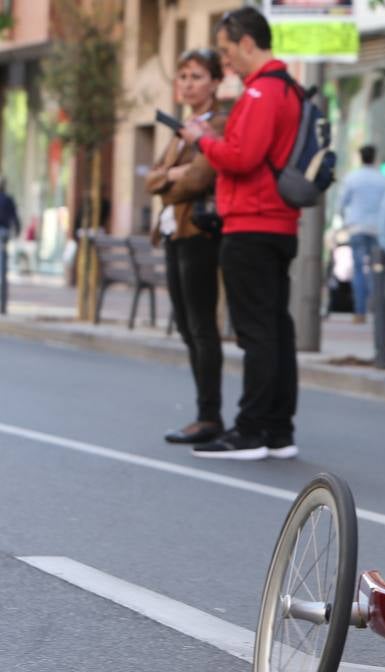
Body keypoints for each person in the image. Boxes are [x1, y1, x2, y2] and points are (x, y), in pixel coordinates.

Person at [180, 6, 301, 461]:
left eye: (228, 52)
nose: (227, 63)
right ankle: (278, 430)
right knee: (275, 329)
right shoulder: (289, 88)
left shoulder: (260, 92)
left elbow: (241, 156)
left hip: (252, 222)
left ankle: (250, 430)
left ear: (248, 43)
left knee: (256, 333)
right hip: (278, 222)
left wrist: (202, 141)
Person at [146, 48, 227, 446]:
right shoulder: (183, 128)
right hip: (174, 232)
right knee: (186, 326)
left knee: (200, 326)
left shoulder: (218, 124)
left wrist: (171, 177)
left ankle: (208, 415)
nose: (188, 84)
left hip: (198, 233)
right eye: (183, 77)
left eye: (196, 76)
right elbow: (151, 178)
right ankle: (204, 411)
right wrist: (170, 174)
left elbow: (199, 179)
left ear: (214, 81)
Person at [336, 144, 385, 326]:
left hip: (356, 228)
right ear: (374, 157)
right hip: (377, 230)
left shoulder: (352, 178)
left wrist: (344, 222)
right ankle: (376, 311)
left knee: (359, 270)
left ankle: (360, 311)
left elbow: (341, 204)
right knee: (376, 270)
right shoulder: (383, 179)